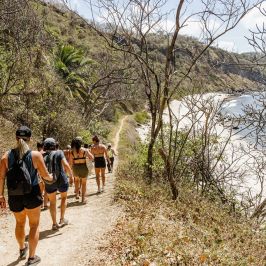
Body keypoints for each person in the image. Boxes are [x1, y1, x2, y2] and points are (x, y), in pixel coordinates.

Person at [0, 126, 53, 266]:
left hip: (14, 195)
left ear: (16, 138)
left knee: (19, 223)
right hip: (32, 193)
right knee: (34, 225)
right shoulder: (35, 155)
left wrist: (1, 196)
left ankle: (22, 249)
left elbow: (1, 178)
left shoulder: (6, 156)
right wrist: (52, 178)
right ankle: (31, 258)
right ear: (29, 139)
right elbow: (45, 175)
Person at [43, 138, 73, 230]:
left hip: (49, 181)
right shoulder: (59, 152)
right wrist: (71, 176)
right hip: (61, 179)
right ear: (54, 145)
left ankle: (54, 223)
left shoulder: (42, 155)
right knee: (63, 198)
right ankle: (62, 219)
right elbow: (66, 165)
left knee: (52, 202)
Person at [69, 137, 93, 203]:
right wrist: (87, 160)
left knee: (76, 181)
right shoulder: (85, 150)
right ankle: (83, 199)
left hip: (75, 168)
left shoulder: (72, 152)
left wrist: (70, 171)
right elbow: (91, 157)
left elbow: (70, 163)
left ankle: (77, 194)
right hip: (83, 167)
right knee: (84, 183)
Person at [36, 141, 48, 211]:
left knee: (40, 191)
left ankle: (41, 204)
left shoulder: (35, 154)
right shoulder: (46, 154)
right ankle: (46, 205)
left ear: (37, 147)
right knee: (46, 189)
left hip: (38, 174)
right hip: (45, 173)